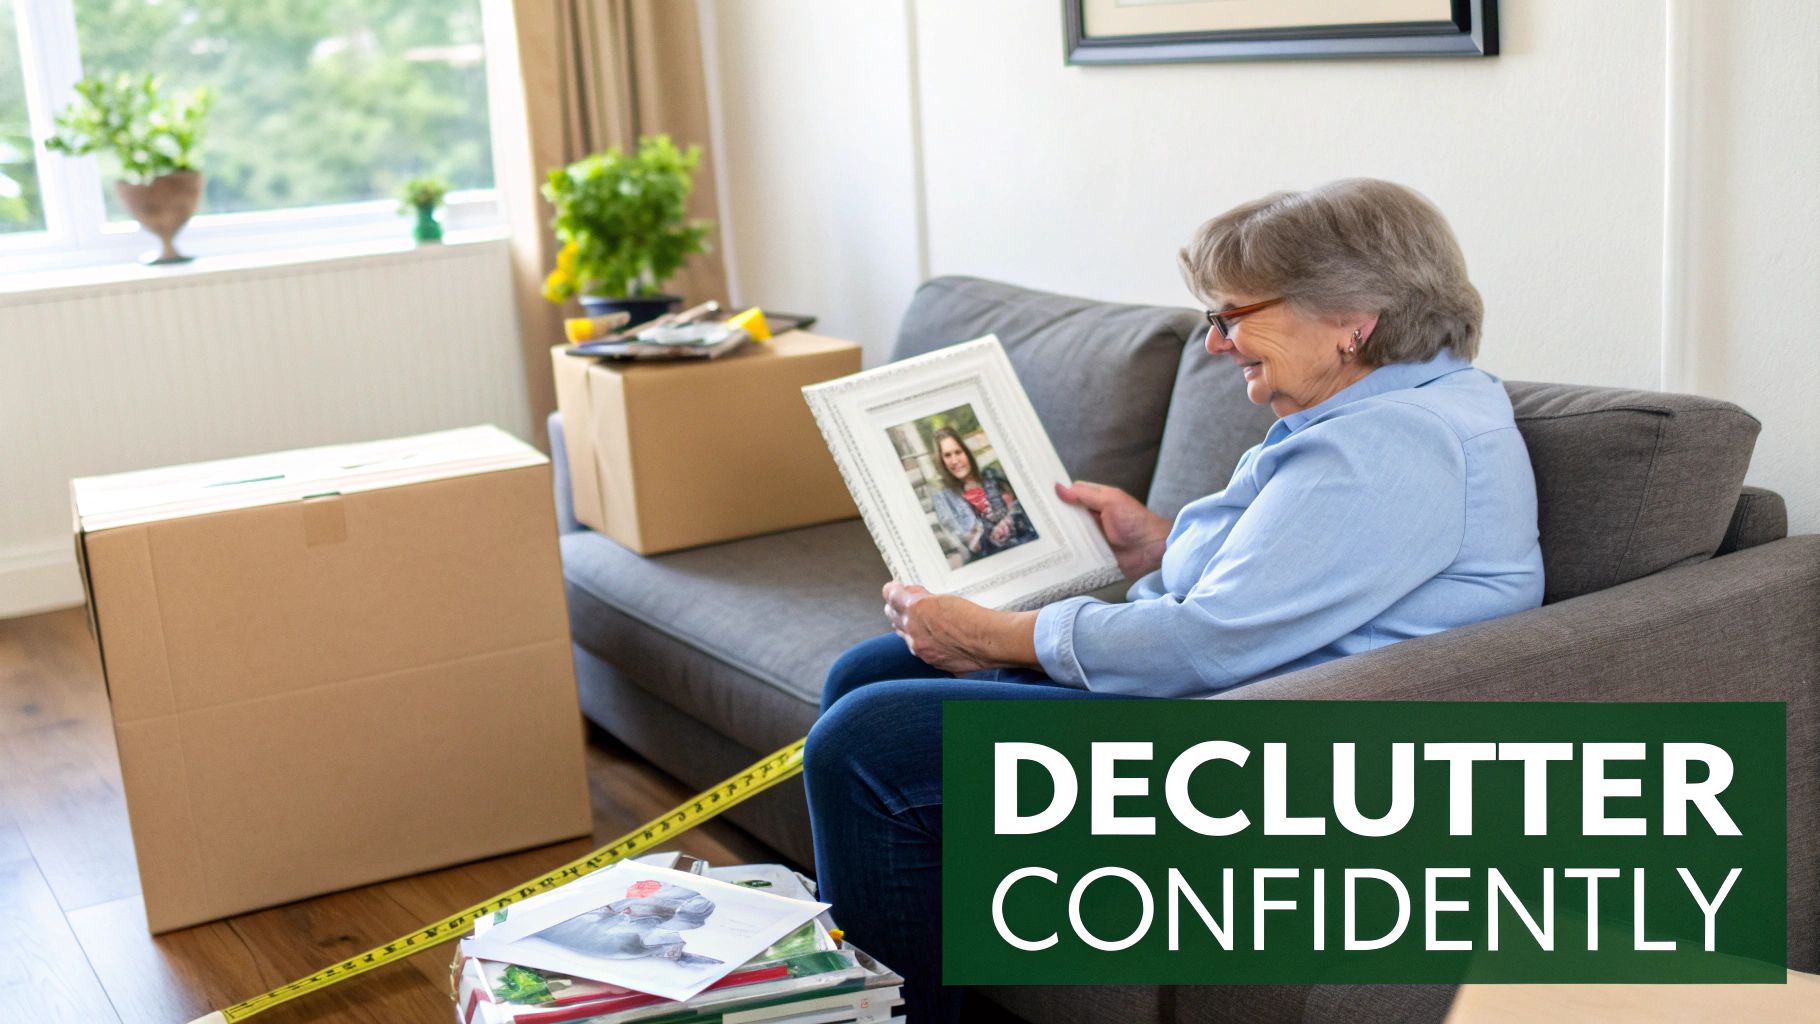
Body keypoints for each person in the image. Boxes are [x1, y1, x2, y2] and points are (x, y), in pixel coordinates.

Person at [804, 178, 1545, 1020]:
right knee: (874, 667)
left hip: (1276, 759)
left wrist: (996, 634)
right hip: (1237, 697)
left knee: (866, 742)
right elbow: (1301, 583)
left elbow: (1204, 645)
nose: (1218, 344)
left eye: (1233, 315)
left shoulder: (1394, 444)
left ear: (1353, 318)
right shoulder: (1397, 407)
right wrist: (1156, 543)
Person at [927, 426, 1035, 563]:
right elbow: (970, 542)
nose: (954, 461)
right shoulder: (945, 499)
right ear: (942, 462)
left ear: (966, 453)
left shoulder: (993, 476)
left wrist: (1008, 520)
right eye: (947, 455)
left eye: (958, 452)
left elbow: (1024, 510)